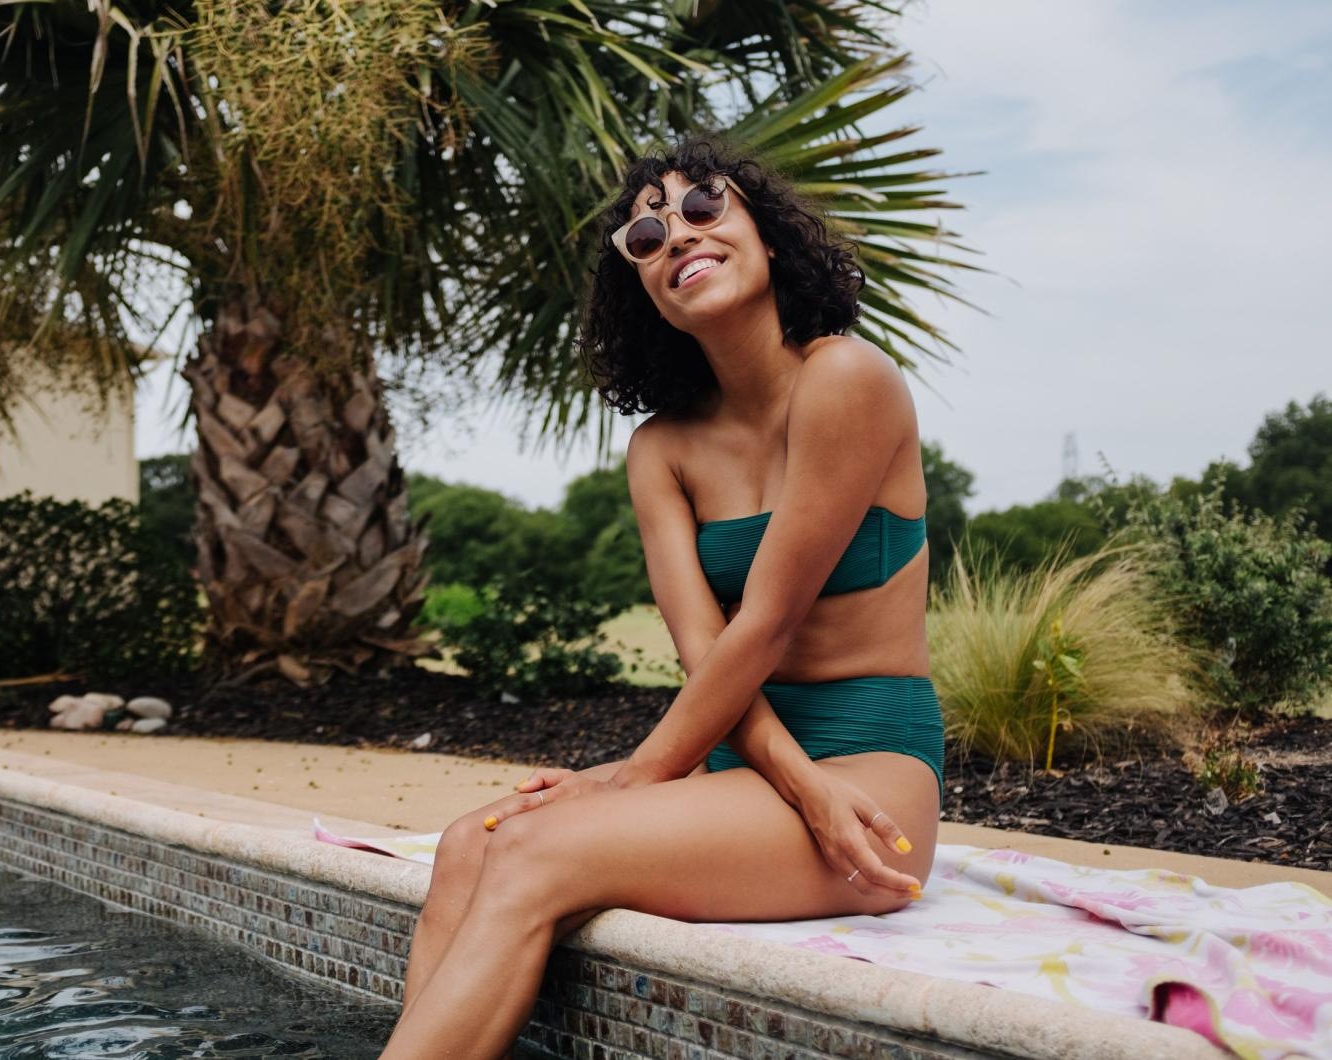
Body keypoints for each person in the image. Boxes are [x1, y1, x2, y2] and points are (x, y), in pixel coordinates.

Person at [379, 135, 945, 1058]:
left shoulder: (846, 377)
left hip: (874, 774)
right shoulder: (662, 450)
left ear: (765, 231)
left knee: (535, 847)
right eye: (643, 235)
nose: (675, 234)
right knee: (468, 841)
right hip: (749, 765)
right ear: (640, 286)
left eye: (703, 206)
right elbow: (703, 649)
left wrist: (635, 778)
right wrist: (782, 782)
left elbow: (763, 626)